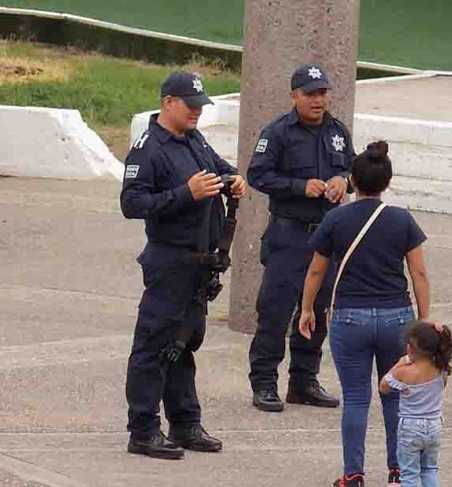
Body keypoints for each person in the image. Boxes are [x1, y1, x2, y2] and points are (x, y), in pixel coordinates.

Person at [120, 71, 247, 459]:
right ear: (168, 103)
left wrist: (232, 180)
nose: (197, 111)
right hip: (170, 261)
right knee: (153, 346)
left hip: (199, 264)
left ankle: (185, 423)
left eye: (200, 105)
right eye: (190, 105)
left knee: (182, 345)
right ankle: (143, 430)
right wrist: (184, 194)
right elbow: (132, 203)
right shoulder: (148, 148)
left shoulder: (192, 139)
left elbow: (217, 166)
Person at [298, 141, 431, 486]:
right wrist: (423, 319)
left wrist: (307, 308)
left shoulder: (336, 218)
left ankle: (353, 474)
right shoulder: (402, 219)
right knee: (395, 397)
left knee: (356, 398)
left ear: (353, 182)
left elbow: (316, 271)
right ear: (388, 182)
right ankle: (398, 471)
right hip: (396, 318)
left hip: (349, 318)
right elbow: (418, 272)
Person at [247, 63, 356, 412]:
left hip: (326, 238)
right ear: (294, 95)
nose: (318, 100)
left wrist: (345, 181)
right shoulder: (277, 132)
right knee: (275, 311)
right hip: (288, 235)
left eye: (322, 93)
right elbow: (257, 175)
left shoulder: (337, 131)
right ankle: (264, 383)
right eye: (310, 94)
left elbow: (352, 167)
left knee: (318, 311)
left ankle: (303, 381)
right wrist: (299, 187)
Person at [379, 321, 452, 487]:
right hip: (434, 425)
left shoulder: (404, 372)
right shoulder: (441, 370)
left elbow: (383, 387)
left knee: (409, 473)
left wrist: (398, 364)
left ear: (411, 348)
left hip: (411, 427)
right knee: (429, 469)